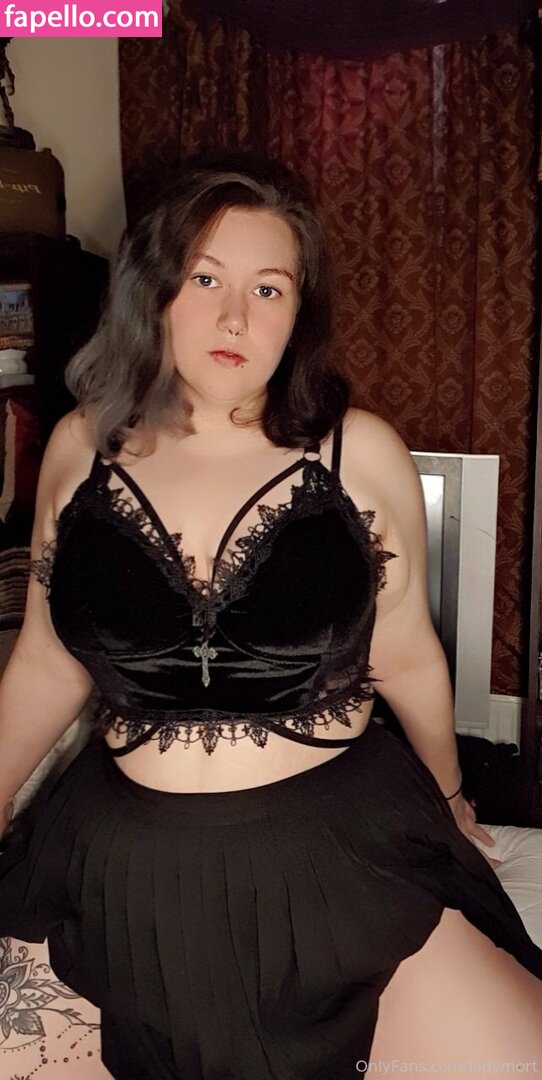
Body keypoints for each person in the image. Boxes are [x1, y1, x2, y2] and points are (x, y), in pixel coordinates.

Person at [0, 152, 541, 1080]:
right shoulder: (78, 448)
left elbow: (406, 650)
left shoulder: (360, 453)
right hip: (119, 866)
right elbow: (49, 661)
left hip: (344, 852)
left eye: (268, 288)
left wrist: (452, 798)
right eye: (205, 278)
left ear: (299, 312)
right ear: (152, 289)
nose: (235, 317)